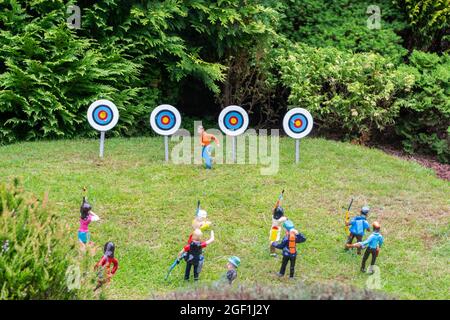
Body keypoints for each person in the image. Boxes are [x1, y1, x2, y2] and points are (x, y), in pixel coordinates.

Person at [269, 191, 287, 256]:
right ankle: (272, 252)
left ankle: (272, 251)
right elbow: (285, 218)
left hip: (273, 229)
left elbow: (275, 208)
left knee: (273, 241)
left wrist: (279, 199)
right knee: (273, 242)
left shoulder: (273, 215)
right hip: (275, 231)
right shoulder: (280, 220)